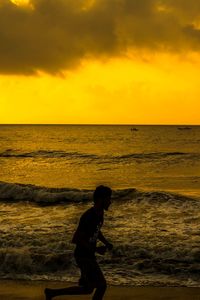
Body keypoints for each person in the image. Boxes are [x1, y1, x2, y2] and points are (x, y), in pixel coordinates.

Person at [45, 185, 113, 300]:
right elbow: (76, 239)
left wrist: (106, 242)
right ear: (100, 199)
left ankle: (52, 293)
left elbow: (97, 230)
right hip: (83, 256)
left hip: (88, 255)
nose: (110, 202)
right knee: (101, 286)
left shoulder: (100, 213)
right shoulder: (89, 216)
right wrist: (96, 249)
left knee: (87, 288)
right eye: (108, 199)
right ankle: (52, 293)